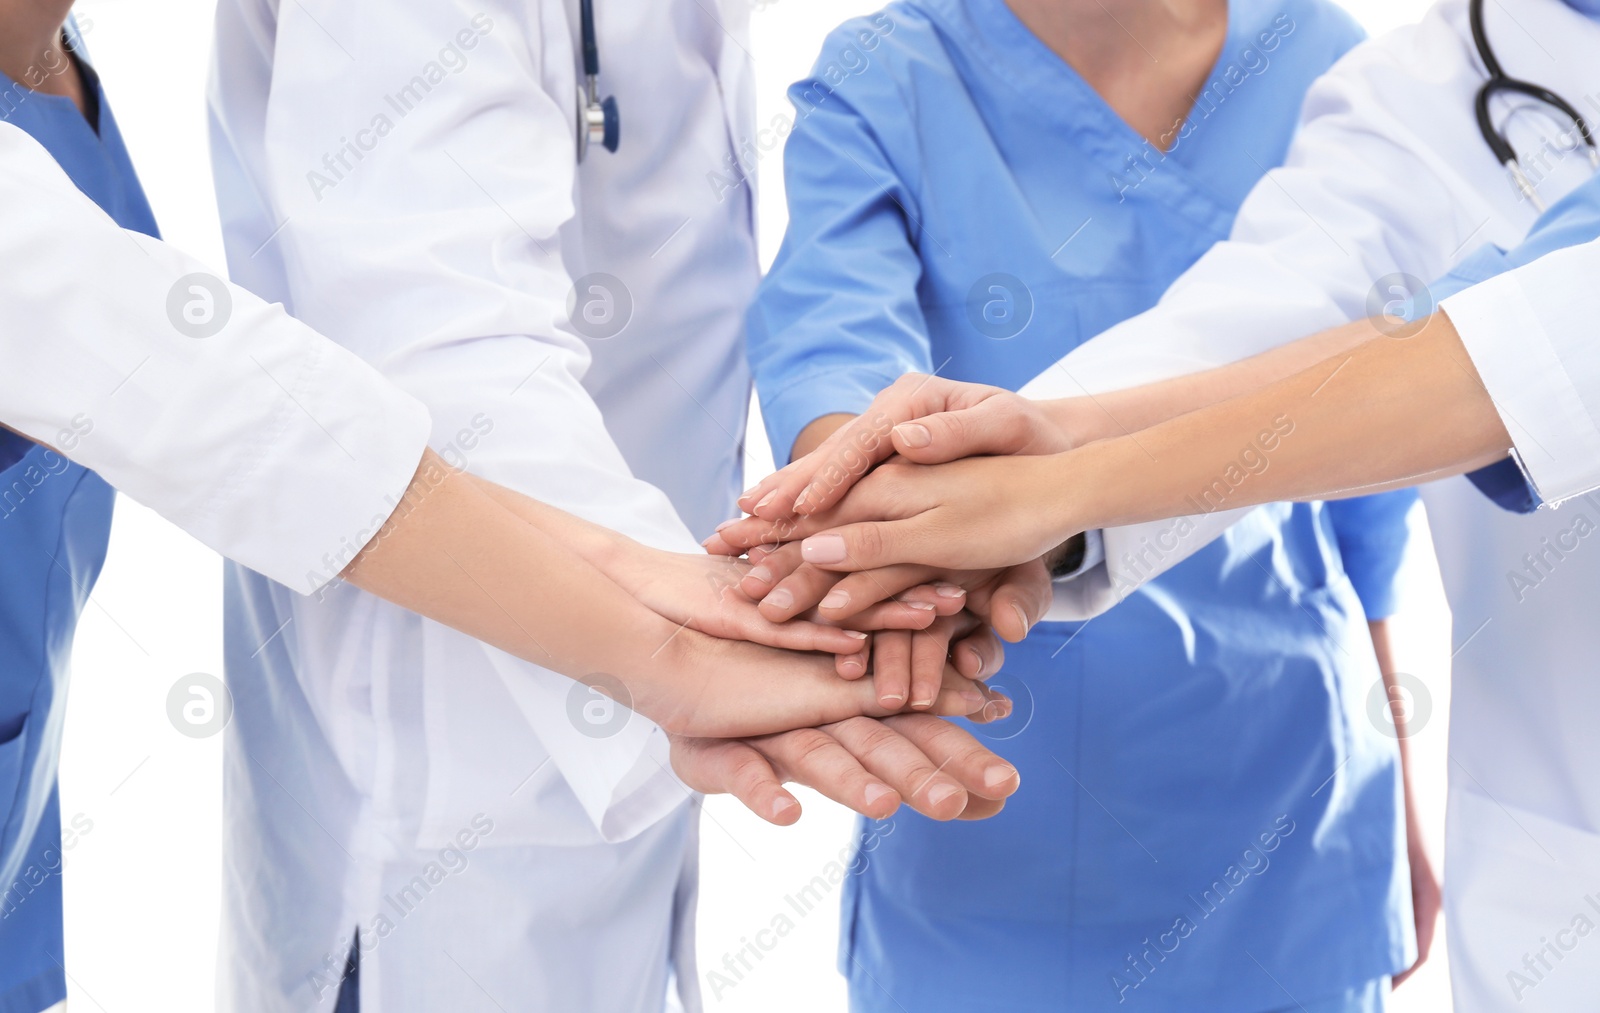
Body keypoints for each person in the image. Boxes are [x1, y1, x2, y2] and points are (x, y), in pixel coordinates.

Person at [0, 14, 1021, 1013]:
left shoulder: (51, 64)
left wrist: (685, 604)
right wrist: (674, 641)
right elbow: (287, 394)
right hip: (448, 795)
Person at [714, 0, 1600, 1001]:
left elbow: (1463, 384)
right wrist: (875, 533)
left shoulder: (1310, 51)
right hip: (989, 760)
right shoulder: (1432, 77)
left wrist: (1032, 490)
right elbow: (1348, 333)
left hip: (1282, 789)